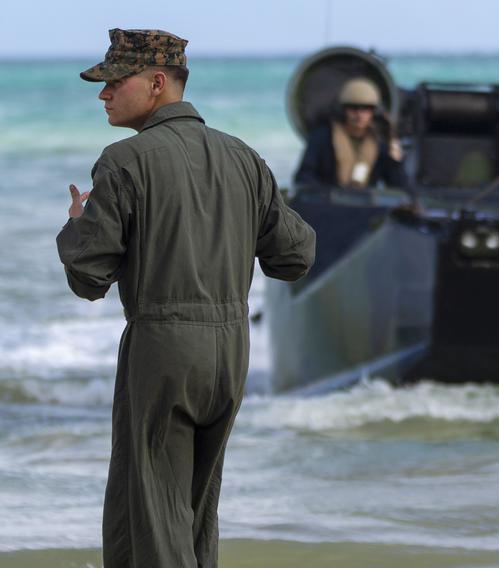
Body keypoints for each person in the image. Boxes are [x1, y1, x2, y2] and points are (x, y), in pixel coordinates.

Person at [56, 28, 315, 567]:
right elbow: (295, 257)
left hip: (164, 347)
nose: (102, 94)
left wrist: (77, 225)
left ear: (155, 84)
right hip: (231, 353)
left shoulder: (124, 161)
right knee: (195, 516)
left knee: (148, 515)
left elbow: (88, 277)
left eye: (113, 82)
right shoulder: (244, 158)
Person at [292, 77, 406, 190]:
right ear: (343, 110)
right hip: (329, 203)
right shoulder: (323, 137)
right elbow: (303, 178)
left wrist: (395, 161)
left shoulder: (380, 143)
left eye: (366, 109)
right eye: (354, 108)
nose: (359, 115)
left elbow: (398, 187)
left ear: (373, 112)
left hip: (367, 204)